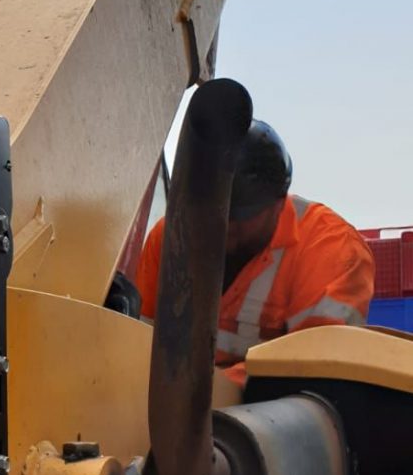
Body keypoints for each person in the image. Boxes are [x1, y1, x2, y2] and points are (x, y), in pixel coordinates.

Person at [136, 119, 375, 387]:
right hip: (176, 408)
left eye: (238, 215)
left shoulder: (331, 249)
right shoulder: (172, 236)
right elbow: (140, 342)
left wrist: (211, 391)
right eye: (211, 214)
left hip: (277, 417)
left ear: (278, 202)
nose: (223, 228)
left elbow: (316, 368)